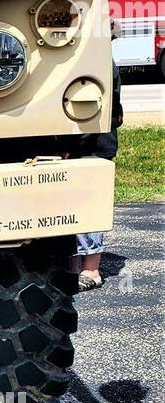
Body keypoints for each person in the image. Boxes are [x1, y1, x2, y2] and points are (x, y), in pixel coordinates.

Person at [75, 61, 124, 292]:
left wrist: (69, 145)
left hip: (92, 145)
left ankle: (91, 269)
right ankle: (77, 265)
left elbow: (96, 109)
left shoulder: (97, 61)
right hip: (90, 143)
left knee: (87, 208)